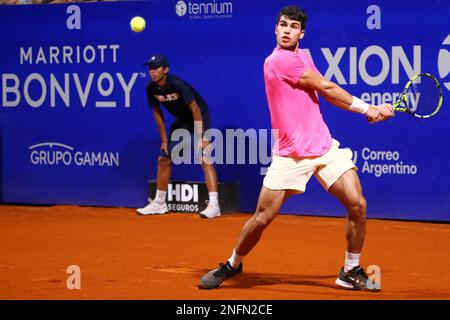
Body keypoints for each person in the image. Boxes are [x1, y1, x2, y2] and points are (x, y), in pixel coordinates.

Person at [198, 5, 394, 291]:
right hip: (290, 155)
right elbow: (326, 87)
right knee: (262, 219)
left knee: (358, 204)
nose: (287, 30)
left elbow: (326, 94)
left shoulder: (303, 56)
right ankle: (233, 262)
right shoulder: (277, 62)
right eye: (283, 25)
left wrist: (369, 110)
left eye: (293, 26)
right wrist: (368, 109)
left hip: (324, 148)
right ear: (275, 29)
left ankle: (350, 270)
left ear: (302, 33)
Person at [137, 55, 221, 219]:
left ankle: (214, 205)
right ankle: (160, 203)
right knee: (164, 159)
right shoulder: (151, 89)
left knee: (204, 157)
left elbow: (196, 109)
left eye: (156, 68)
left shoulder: (177, 84)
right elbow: (157, 113)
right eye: (150, 68)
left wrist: (202, 136)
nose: (152, 72)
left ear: (165, 70)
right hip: (182, 122)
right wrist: (164, 140)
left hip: (198, 117)